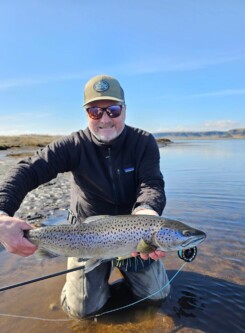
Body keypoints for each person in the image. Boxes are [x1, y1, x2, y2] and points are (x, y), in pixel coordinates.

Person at [0, 74, 170, 318]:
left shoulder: (143, 142)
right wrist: (2, 213)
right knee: (82, 311)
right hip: (84, 236)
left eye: (112, 110)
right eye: (94, 112)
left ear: (124, 109)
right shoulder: (73, 145)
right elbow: (28, 170)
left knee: (158, 295)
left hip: (134, 237)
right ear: (86, 113)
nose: (105, 119)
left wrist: (147, 209)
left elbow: (151, 183)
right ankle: (80, 287)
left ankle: (121, 278)